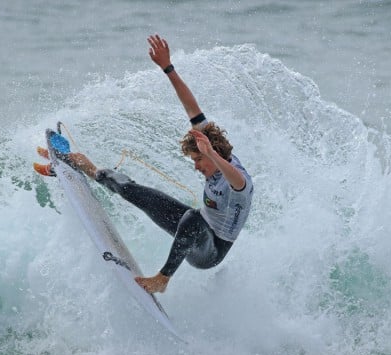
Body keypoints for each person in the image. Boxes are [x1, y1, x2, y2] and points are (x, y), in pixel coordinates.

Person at [68, 34, 253, 293]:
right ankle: (91, 169)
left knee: (193, 218)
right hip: (195, 229)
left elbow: (238, 181)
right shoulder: (207, 143)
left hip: (210, 251)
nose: (197, 166)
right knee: (133, 191)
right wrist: (168, 68)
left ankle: (162, 280)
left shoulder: (238, 180)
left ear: (212, 153)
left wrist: (210, 154)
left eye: (199, 160)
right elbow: (191, 107)